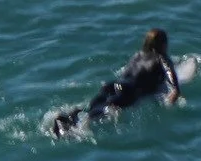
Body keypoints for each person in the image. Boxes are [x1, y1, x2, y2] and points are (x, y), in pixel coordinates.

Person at [48, 28, 181, 136]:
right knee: (101, 112)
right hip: (130, 90)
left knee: (91, 106)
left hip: (113, 84)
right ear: (162, 44)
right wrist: (175, 89)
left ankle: (66, 118)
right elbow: (169, 71)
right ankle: (73, 131)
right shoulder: (161, 57)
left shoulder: (138, 55)